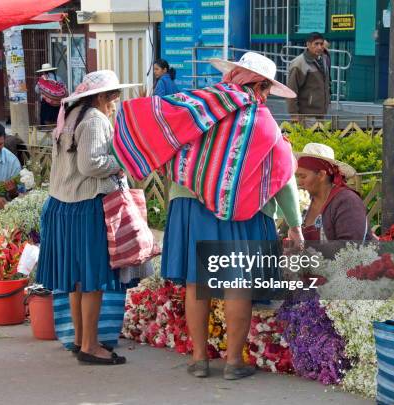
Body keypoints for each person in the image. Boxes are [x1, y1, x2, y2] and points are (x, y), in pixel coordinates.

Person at [118, 52, 303, 379]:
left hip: (189, 206)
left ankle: (199, 359)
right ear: (259, 85)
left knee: (196, 281)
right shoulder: (261, 121)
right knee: (237, 284)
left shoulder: (200, 104)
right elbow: (282, 175)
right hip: (239, 212)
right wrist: (295, 225)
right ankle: (233, 362)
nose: (267, 96)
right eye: (267, 89)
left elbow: (166, 133)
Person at [37, 70, 140, 365]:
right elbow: (91, 164)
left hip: (64, 205)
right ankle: (90, 345)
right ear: (100, 97)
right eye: (113, 96)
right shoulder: (94, 119)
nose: (116, 102)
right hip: (86, 206)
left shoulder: (71, 117)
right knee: (92, 279)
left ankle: (81, 340)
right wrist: (120, 162)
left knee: (78, 281)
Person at [295, 143, 370, 241]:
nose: (299, 182)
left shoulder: (347, 201)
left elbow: (349, 247)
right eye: (297, 176)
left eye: (303, 176)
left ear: (321, 175)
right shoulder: (304, 202)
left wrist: (305, 251)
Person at [286, 32, 331, 121]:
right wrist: (294, 114)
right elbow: (291, 90)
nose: (319, 47)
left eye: (321, 44)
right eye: (316, 44)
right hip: (306, 115)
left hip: (320, 113)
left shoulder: (323, 59)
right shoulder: (299, 63)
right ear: (308, 45)